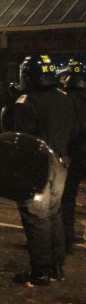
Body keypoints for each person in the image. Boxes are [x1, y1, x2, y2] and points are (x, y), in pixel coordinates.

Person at [7, 55, 77, 285]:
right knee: (54, 214)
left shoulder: (25, 101)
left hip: (36, 165)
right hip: (60, 162)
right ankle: (56, 267)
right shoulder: (65, 98)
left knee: (36, 217)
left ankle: (40, 271)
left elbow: (20, 140)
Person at [59, 59, 86, 253]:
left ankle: (66, 238)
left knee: (67, 196)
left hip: (75, 152)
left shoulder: (64, 98)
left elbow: (68, 128)